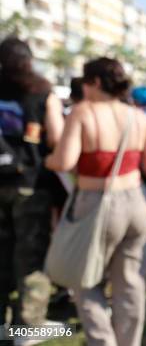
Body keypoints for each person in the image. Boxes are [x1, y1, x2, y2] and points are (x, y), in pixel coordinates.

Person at [45, 57, 146, 346]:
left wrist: (48, 159)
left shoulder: (83, 112)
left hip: (97, 204)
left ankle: (103, 341)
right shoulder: (137, 115)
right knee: (131, 283)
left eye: (85, 82)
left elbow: (64, 161)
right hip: (137, 203)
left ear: (95, 83)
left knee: (85, 280)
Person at [0, 37, 64, 327]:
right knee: (31, 253)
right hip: (30, 183)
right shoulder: (41, 90)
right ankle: (28, 323)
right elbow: (57, 137)